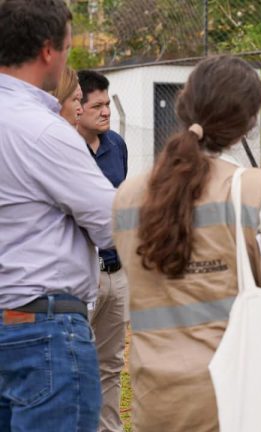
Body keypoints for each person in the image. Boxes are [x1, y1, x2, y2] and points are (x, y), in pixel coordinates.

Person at [112, 55, 261, 432]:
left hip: (155, 398)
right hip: (236, 396)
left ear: (183, 106)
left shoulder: (127, 196)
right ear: (247, 123)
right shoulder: (259, 192)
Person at [0, 1, 115, 431]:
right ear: (48, 51)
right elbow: (112, 225)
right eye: (68, 48)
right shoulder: (44, 131)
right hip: (41, 332)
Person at [76, 69, 129, 432]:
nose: (106, 111)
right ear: (77, 107)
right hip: (83, 273)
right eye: (97, 105)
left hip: (117, 272)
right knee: (77, 362)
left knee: (111, 364)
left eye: (108, 104)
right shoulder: (62, 148)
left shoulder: (116, 146)